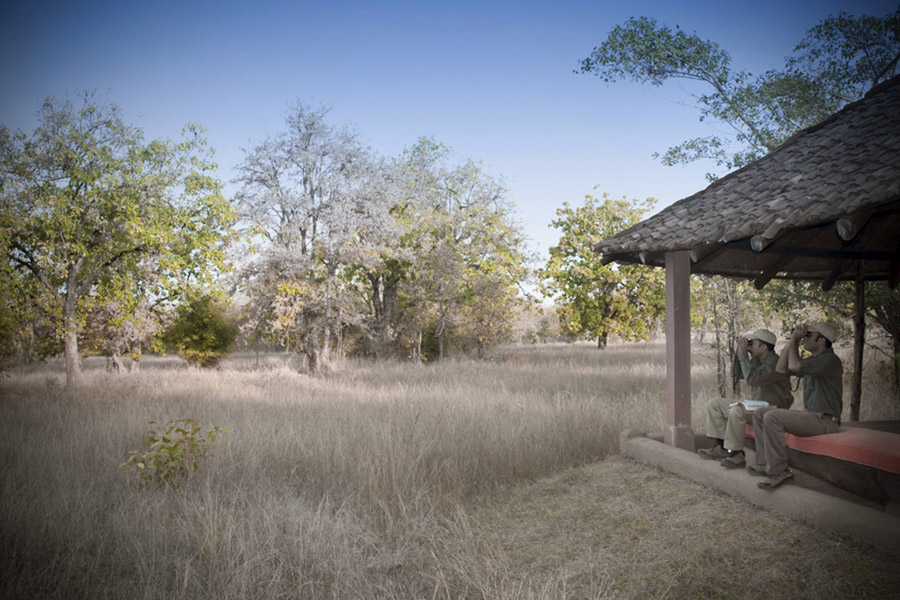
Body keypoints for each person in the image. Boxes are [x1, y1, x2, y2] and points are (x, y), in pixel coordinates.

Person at [751, 322, 843, 490]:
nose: (804, 338)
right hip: (812, 416)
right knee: (760, 413)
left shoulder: (829, 360)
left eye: (808, 335)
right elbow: (780, 369)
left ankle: (780, 472)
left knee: (772, 416)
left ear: (821, 340)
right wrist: (791, 341)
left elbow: (794, 366)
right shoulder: (814, 361)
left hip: (825, 422)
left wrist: (795, 341)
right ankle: (765, 464)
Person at [697, 329, 793, 468]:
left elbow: (752, 379)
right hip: (756, 406)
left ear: (763, 346)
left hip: (773, 408)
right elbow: (735, 374)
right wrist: (739, 352)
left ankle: (736, 453)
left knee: (737, 411)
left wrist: (743, 354)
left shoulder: (775, 364)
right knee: (715, 404)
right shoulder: (757, 360)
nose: (748, 347)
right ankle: (723, 447)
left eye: (751, 344)